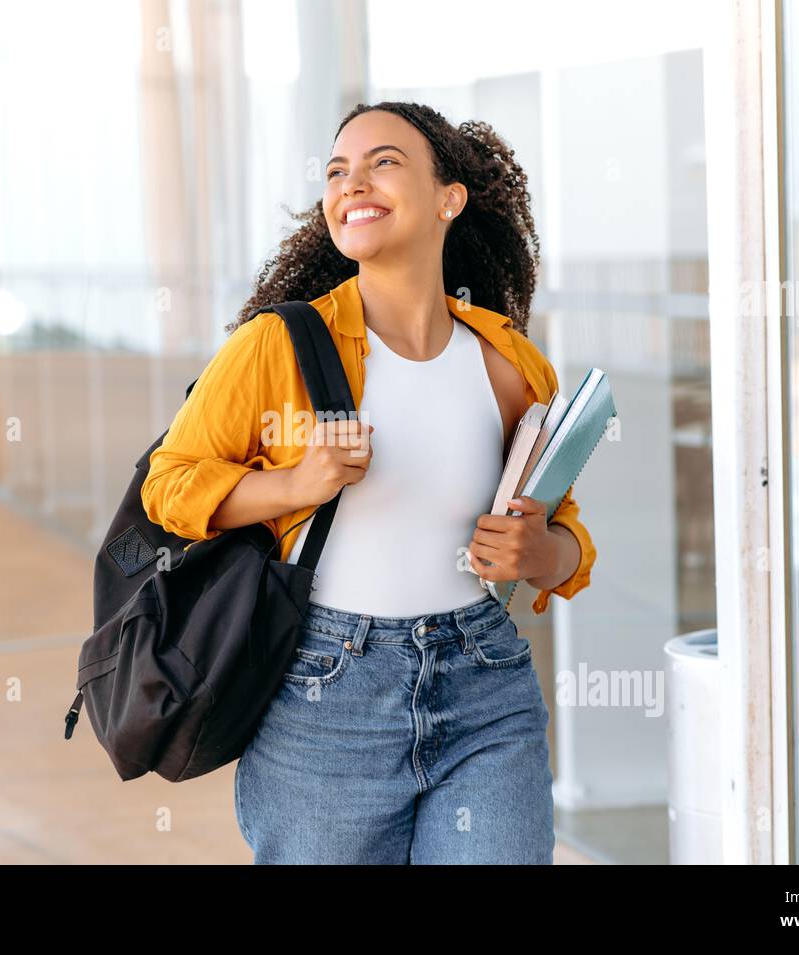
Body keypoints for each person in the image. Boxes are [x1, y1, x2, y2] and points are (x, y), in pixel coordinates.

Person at [141, 101, 596, 864]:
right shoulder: (275, 347)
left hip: (484, 686)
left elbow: (564, 533)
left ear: (450, 197)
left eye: (383, 161)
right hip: (327, 696)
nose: (354, 181)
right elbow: (169, 484)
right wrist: (294, 484)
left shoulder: (511, 362)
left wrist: (540, 554)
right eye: (336, 171)